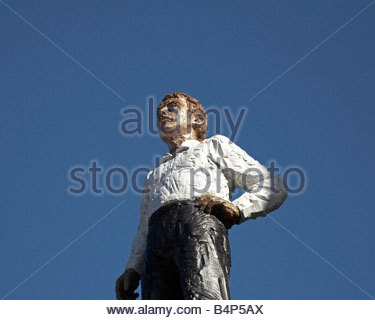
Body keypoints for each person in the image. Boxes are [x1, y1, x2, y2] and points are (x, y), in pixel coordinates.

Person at [116, 92, 287, 299]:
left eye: (172, 107)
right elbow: (144, 227)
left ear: (196, 119)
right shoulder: (153, 175)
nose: (162, 112)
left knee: (204, 296)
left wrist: (237, 209)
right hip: (156, 238)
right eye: (159, 111)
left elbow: (271, 185)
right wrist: (133, 268)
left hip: (198, 225)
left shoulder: (213, 146)